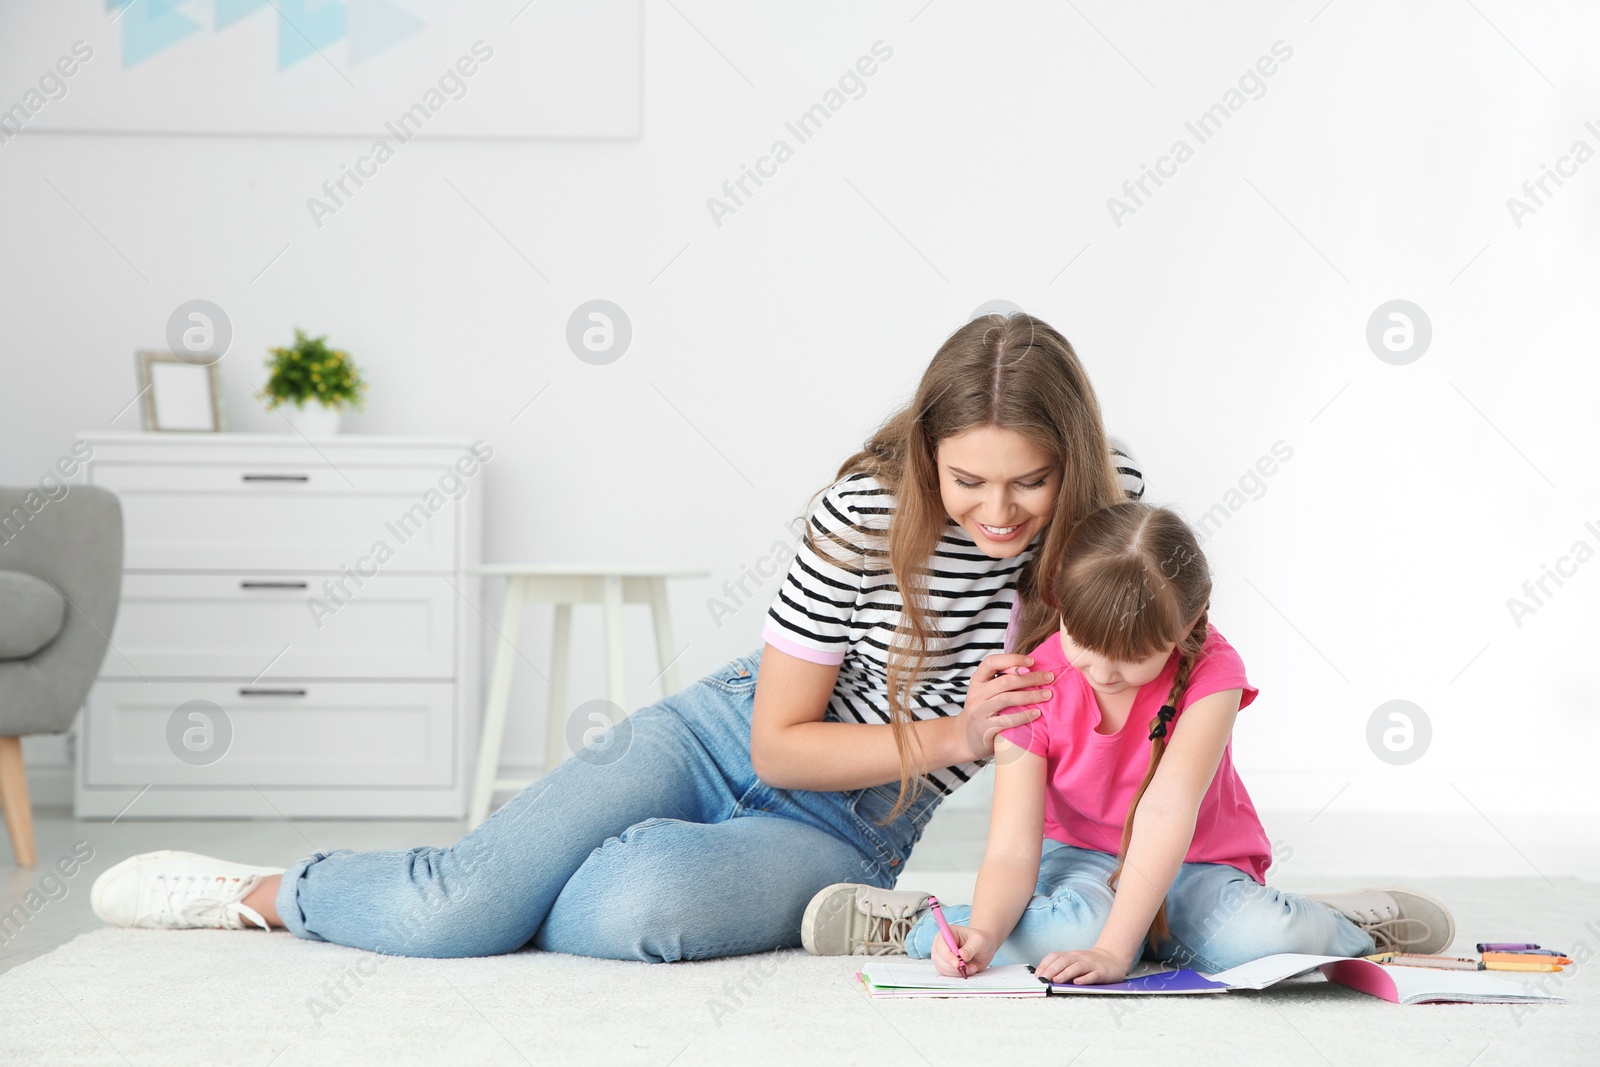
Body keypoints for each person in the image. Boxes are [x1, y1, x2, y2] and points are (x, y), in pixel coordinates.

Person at [91, 312, 1146, 962]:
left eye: (1030, 482)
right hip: (720, 735)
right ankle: (266, 892)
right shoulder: (866, 508)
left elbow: (1131, 707)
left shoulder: (1109, 519)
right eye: (968, 481)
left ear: (1075, 461)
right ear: (928, 455)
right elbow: (779, 742)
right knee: (453, 913)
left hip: (849, 833)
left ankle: (530, 884)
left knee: (640, 909)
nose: (999, 511)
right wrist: (955, 734)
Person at [801, 502, 1455, 980]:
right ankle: (927, 920)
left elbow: (1168, 811)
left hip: (1197, 862)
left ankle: (1347, 923)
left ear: (1188, 623)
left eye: (1134, 658)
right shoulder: (1033, 681)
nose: (1107, 674)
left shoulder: (1213, 669)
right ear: (1061, 602)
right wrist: (987, 932)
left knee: (1261, 937)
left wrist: (1117, 951)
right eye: (1088, 650)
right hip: (1080, 863)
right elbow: (1011, 846)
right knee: (1068, 929)